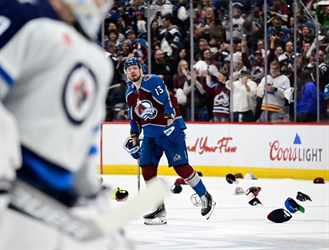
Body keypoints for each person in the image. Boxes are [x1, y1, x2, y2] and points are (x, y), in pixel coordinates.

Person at [0, 0, 132, 249]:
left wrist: (96, 210)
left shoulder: (98, 61)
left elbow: (82, 151)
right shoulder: (20, 15)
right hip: (11, 207)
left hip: (48, 218)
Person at [124, 57, 216, 225]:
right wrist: (134, 139)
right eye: (129, 69)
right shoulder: (130, 93)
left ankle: (205, 196)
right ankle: (159, 208)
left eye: (135, 68)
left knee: (181, 167)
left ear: (140, 69)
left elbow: (168, 100)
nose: (132, 71)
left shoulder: (152, 81)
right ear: (126, 73)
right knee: (147, 170)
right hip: (150, 136)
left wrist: (171, 123)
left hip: (168, 130)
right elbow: (134, 119)